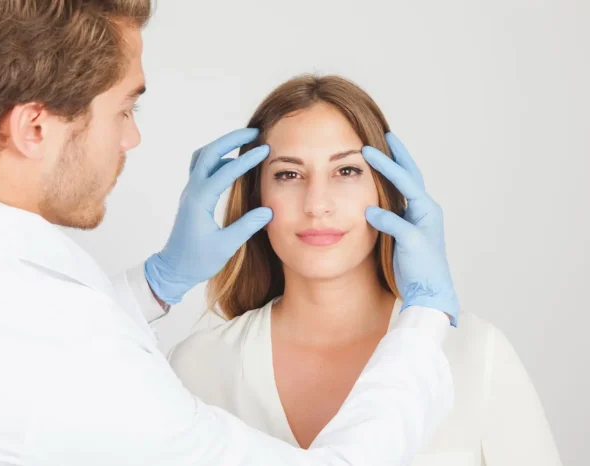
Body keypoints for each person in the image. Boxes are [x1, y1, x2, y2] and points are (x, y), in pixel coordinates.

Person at [0, 2, 459, 465]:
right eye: (124, 110)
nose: (132, 137)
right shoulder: (89, 346)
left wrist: (157, 282)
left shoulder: (2, 296)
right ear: (33, 129)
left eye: (346, 170)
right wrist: (425, 319)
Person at [169, 75, 563, 466]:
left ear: (386, 188)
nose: (317, 203)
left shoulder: (476, 355)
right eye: (289, 174)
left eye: (346, 171)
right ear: (255, 195)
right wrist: (157, 281)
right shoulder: (200, 367)